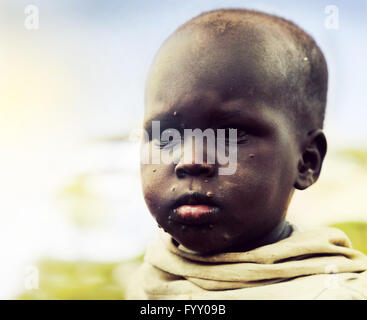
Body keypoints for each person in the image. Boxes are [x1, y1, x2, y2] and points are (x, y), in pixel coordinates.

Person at [126, 8, 367, 299]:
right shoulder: (147, 281)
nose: (191, 160)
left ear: (307, 161)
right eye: (167, 135)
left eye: (232, 134)